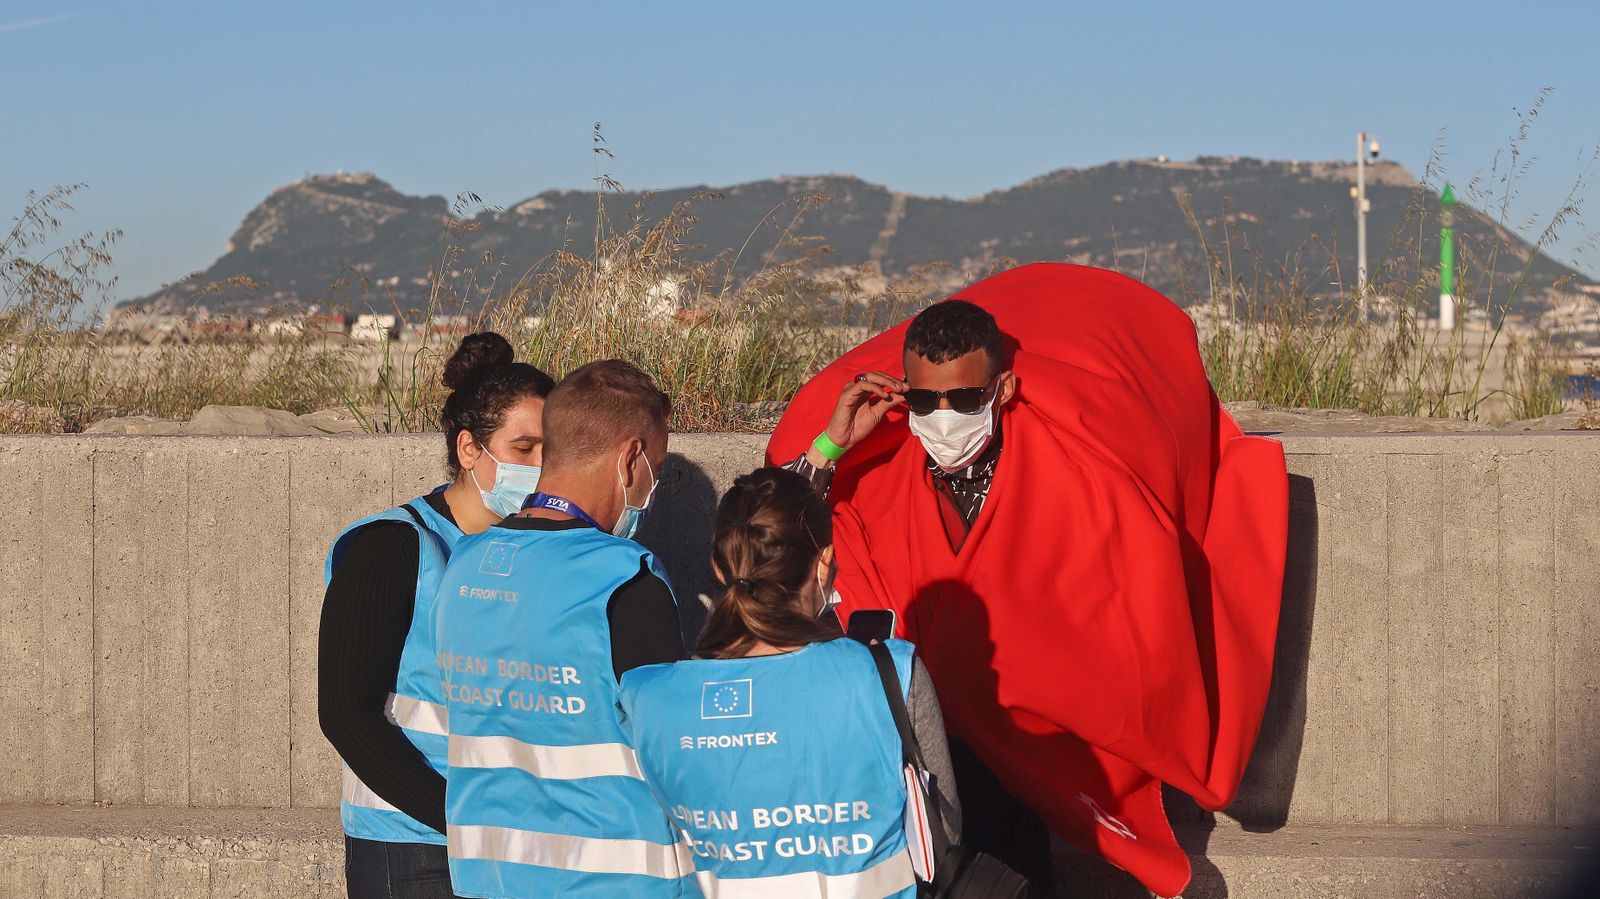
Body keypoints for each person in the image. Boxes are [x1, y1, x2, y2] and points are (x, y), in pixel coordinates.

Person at [766, 263, 1290, 898]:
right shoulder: (886, 465)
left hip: (1026, 748)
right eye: (924, 400)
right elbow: (773, 540)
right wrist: (829, 445)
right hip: (928, 759)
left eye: (962, 399)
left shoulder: (1065, 470)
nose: (941, 417)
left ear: (1003, 389)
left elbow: (1126, 600)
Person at [619, 467, 961, 897]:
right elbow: (944, 828)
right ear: (824, 565)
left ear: (718, 569)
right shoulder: (889, 673)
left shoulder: (649, 697)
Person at [432, 359, 691, 898]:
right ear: (631, 457)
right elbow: (676, 753)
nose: (653, 487)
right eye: (656, 471)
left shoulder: (464, 564)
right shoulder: (624, 578)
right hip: (617, 881)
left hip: (488, 878)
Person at [319, 332, 554, 899]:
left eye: (553, 450)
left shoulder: (538, 553)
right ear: (470, 449)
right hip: (412, 847)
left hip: (514, 840)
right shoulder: (393, 547)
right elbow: (346, 713)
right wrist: (458, 819)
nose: (542, 467)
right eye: (524, 450)